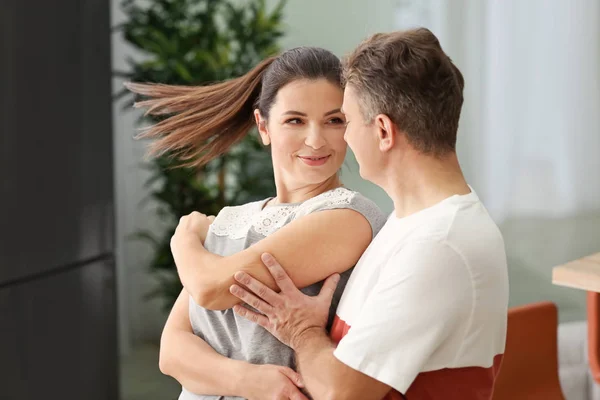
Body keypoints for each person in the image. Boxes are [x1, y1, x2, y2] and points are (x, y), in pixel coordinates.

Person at [228, 28, 509, 400]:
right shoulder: (411, 223)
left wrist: (301, 330)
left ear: (382, 130)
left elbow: (341, 394)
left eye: (343, 119)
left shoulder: (439, 244)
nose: (339, 139)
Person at [126, 46, 386, 400]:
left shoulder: (348, 216)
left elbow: (210, 288)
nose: (316, 139)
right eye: (295, 120)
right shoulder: (233, 219)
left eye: (334, 120)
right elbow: (172, 352)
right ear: (263, 126)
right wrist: (246, 380)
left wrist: (183, 241)